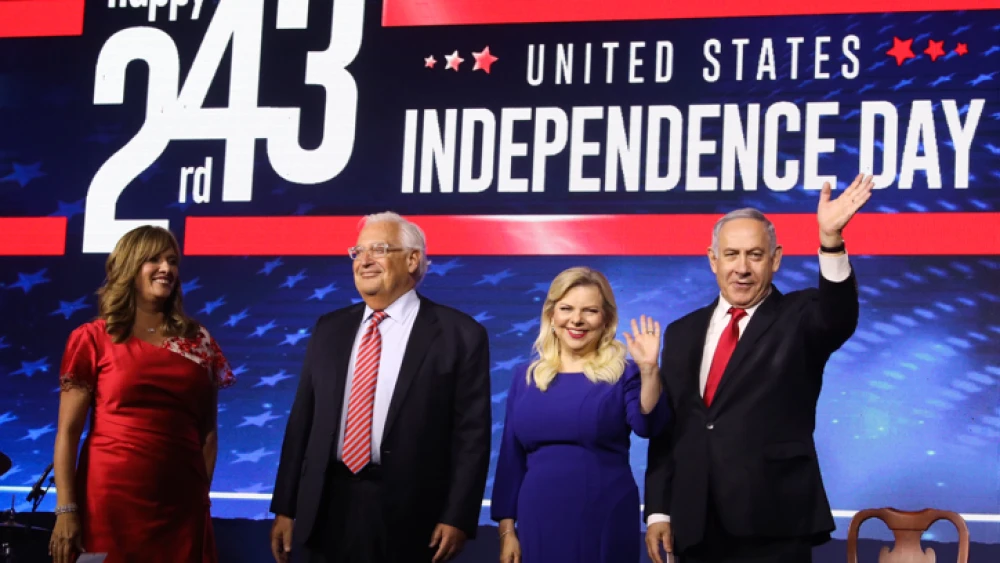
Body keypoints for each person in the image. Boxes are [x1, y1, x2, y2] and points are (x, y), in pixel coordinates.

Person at [643, 174, 875, 563]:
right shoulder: (681, 332)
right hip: (695, 524)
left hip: (774, 522)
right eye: (731, 254)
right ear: (713, 260)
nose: (742, 268)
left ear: (775, 259)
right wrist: (658, 511)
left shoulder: (800, 315)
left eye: (754, 254)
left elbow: (839, 317)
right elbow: (670, 428)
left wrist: (830, 239)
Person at [269, 212, 491, 563]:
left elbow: (471, 436)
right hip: (325, 509)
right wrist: (285, 506)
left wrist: (458, 515)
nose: (364, 261)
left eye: (379, 249)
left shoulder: (460, 334)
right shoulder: (329, 329)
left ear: (413, 260)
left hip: (411, 516)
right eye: (358, 252)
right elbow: (302, 421)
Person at [48, 225, 235, 563]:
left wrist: (199, 498)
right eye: (154, 259)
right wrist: (66, 509)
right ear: (130, 266)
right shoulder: (93, 338)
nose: (166, 268)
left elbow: (208, 432)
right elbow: (68, 432)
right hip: (107, 503)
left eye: (172, 261)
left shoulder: (199, 341)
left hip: (182, 508)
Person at [491, 267, 671, 563]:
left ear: (606, 320)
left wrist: (650, 370)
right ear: (551, 315)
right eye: (566, 309)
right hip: (538, 518)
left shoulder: (624, 373)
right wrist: (507, 530)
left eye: (590, 311)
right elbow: (511, 458)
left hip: (604, 514)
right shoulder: (526, 376)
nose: (576, 320)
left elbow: (648, 425)